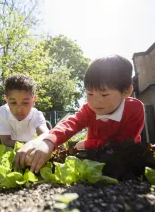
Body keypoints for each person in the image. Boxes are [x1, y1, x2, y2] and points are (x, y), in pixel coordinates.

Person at [15, 55, 145, 173]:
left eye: (104, 94)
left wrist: (87, 144)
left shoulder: (135, 109)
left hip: (124, 161)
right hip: (94, 159)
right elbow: (70, 124)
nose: (95, 101)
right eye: (89, 94)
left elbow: (123, 144)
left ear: (126, 92)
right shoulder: (89, 109)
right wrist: (48, 143)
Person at [0, 74, 49, 148]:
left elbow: (45, 135)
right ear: (6, 100)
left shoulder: (37, 115)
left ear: (34, 100)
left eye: (25, 103)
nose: (19, 109)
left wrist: (30, 145)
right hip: (10, 150)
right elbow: (5, 141)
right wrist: (29, 145)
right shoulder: (2, 112)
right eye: (13, 103)